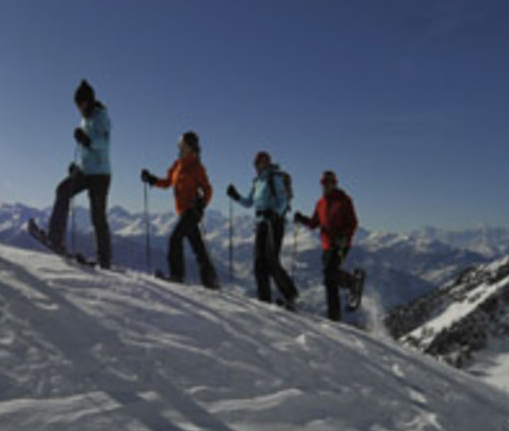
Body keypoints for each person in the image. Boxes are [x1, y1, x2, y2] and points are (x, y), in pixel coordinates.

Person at [45, 79, 112, 267]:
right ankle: (55, 239)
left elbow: (103, 143)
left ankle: (104, 260)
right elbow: (86, 148)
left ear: (88, 101)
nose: (78, 108)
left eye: (80, 104)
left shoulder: (101, 117)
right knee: (63, 190)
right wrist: (77, 165)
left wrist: (87, 140)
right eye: (77, 104)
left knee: (98, 217)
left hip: (100, 174)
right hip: (86, 171)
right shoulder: (85, 119)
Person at [140, 131, 219, 289]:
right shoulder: (177, 164)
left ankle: (177, 275)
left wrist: (202, 203)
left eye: (183, 145)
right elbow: (167, 182)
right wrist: (151, 179)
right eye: (179, 145)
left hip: (192, 210)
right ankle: (210, 281)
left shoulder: (196, 166)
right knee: (198, 247)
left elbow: (208, 189)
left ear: (191, 147)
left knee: (175, 239)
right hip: (183, 211)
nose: (180, 148)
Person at [227, 151, 299, 308]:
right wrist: (235, 196)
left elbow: (283, 201)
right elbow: (249, 203)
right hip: (261, 223)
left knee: (271, 260)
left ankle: (291, 295)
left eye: (259, 164)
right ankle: (264, 299)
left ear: (265, 163)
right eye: (255, 164)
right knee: (259, 262)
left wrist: (275, 214)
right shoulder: (257, 182)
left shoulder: (275, 178)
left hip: (274, 223)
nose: (256, 167)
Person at [295, 170, 360, 321]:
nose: (326, 185)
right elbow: (314, 223)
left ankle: (351, 282)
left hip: (341, 243)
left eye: (329, 182)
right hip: (326, 244)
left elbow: (353, 223)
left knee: (330, 272)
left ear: (335, 183)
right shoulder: (320, 203)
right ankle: (334, 316)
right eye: (324, 183)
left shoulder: (344, 199)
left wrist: (344, 236)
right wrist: (301, 219)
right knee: (329, 280)